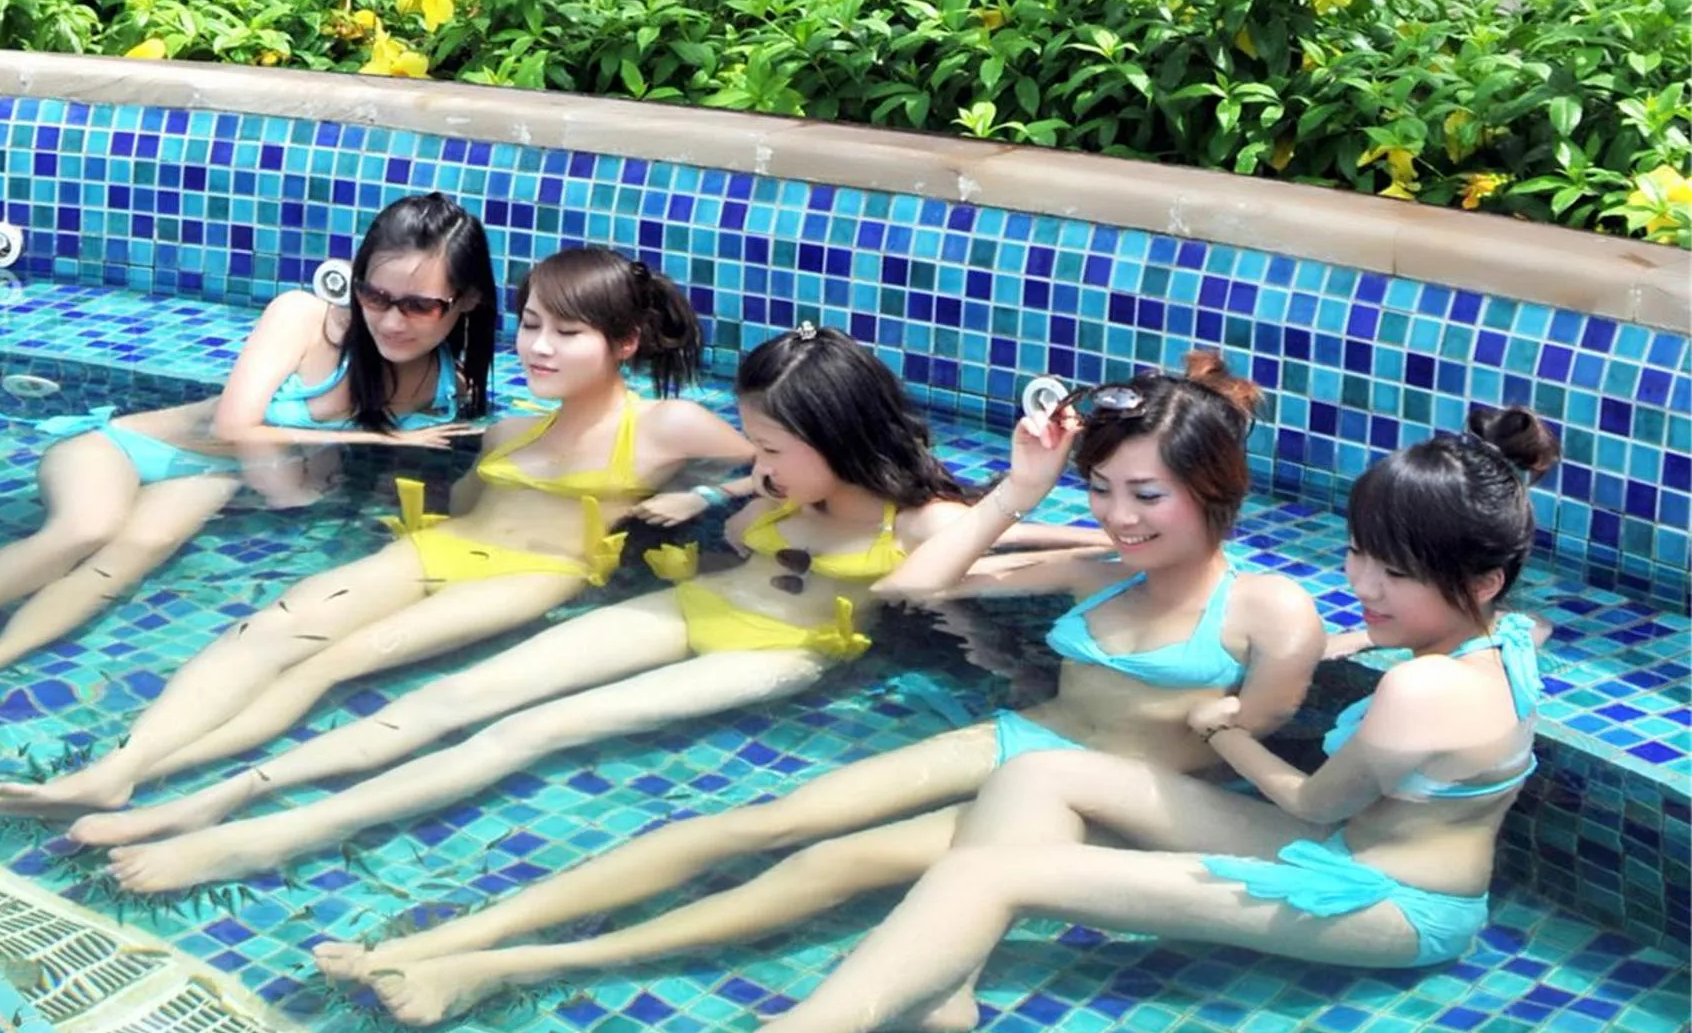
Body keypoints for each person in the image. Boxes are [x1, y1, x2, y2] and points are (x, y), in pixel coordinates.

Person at [567, 407, 1561, 1033]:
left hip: (1381, 902)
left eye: (1394, 575)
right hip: (1352, 849)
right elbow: (1495, 643)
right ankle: (944, 979)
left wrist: (1225, 731)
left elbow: (1306, 796)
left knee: (989, 867)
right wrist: (1367, 642)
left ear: (1475, 577)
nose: (1362, 587)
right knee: (1041, 774)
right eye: (1359, 557)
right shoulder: (1503, 636)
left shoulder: (1419, 692)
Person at [317, 354, 1325, 1025]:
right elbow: (915, 584)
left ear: (1215, 489)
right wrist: (1022, 491)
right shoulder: (1101, 569)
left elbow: (1263, 734)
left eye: (1143, 494)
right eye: (1099, 491)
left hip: (1105, 800)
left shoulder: (1271, 612)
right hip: (1026, 740)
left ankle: (504, 970)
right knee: (757, 821)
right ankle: (456, 934)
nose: (1117, 517)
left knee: (826, 864)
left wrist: (1228, 723)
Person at [58, 326, 1106, 894]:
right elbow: (753, 486)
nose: (759, 462)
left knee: (534, 728)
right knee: (455, 698)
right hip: (701, 604)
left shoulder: (922, 521)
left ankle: (266, 841)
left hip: (782, 648)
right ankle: (212, 794)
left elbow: (1006, 555)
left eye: (772, 448)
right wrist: (718, 491)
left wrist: (1050, 508)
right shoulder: (778, 483)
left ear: (837, 438)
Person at [0, 245, 754, 813]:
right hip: (440, 547)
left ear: (625, 343)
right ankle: (116, 768)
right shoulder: (513, 430)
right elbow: (461, 506)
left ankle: (150, 773)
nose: (539, 346)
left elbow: (791, 465)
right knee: (267, 629)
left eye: (567, 333)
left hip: (535, 573)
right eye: (533, 323)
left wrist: (704, 502)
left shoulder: (670, 426)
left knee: (338, 659)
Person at [0, 192, 500, 734]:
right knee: (86, 531)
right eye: (375, 295)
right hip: (120, 450)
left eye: (419, 305)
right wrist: (378, 446)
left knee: (132, 554)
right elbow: (240, 426)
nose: (390, 318)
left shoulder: (448, 390)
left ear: (465, 302)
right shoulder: (302, 317)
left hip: (210, 481)